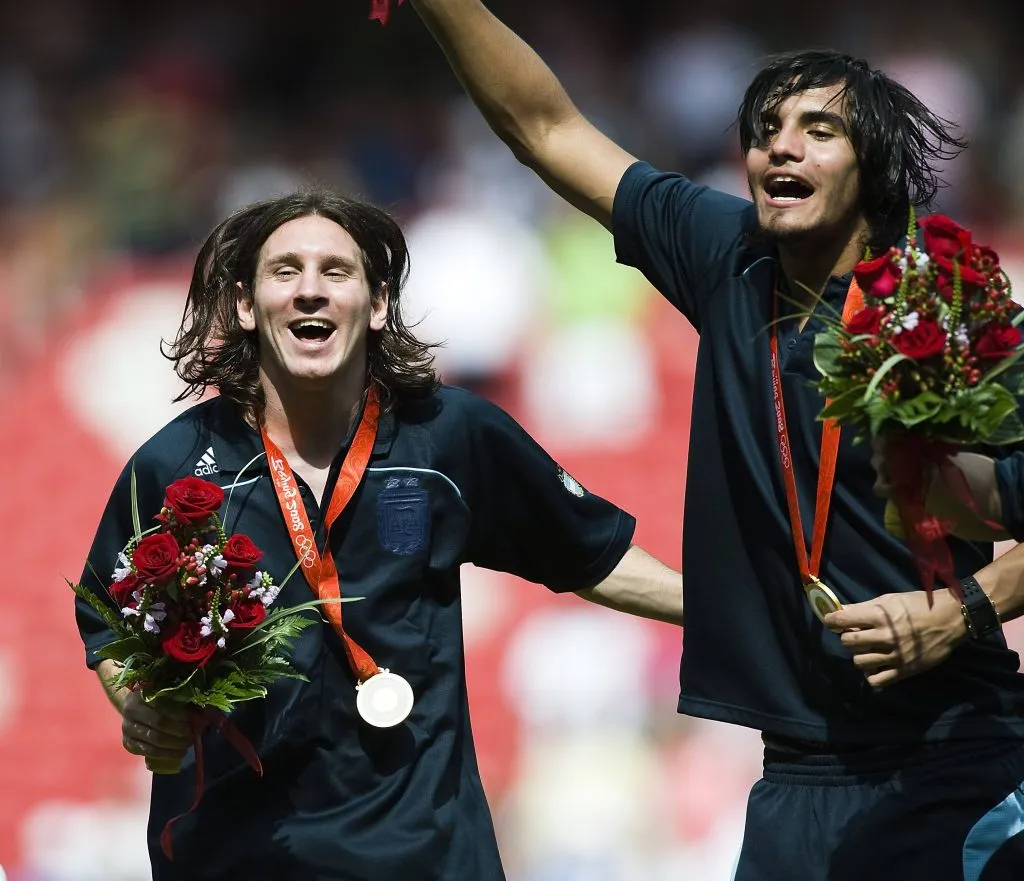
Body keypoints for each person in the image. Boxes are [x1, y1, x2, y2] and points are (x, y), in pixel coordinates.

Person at [399, 3, 1024, 878]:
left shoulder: (948, 309)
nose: (781, 148)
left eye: (818, 130)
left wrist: (964, 613)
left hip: (954, 758)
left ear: (873, 166)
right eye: (766, 129)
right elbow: (544, 128)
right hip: (794, 774)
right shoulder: (726, 253)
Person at [74, 189, 683, 881]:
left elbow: (593, 556)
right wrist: (138, 707)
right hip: (236, 856)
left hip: (422, 854)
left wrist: (754, 607)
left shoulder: (450, 436)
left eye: (336, 271)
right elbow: (107, 622)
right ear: (245, 305)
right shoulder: (175, 467)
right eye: (285, 271)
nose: (310, 291)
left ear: (379, 303)